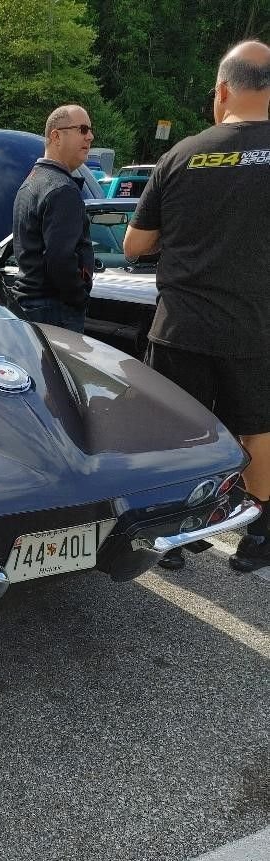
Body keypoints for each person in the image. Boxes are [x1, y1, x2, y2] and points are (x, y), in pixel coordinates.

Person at [124, 40, 270, 573]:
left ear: (222, 91)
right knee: (258, 430)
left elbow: (134, 246)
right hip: (256, 328)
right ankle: (259, 536)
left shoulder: (181, 155)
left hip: (181, 326)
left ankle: (177, 537)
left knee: (182, 434)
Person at [11, 104, 95, 332]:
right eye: (83, 129)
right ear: (56, 136)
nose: (90, 137)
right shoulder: (62, 189)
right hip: (55, 311)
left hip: (31, 308)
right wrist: (79, 297)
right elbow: (59, 259)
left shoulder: (30, 183)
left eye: (90, 130)